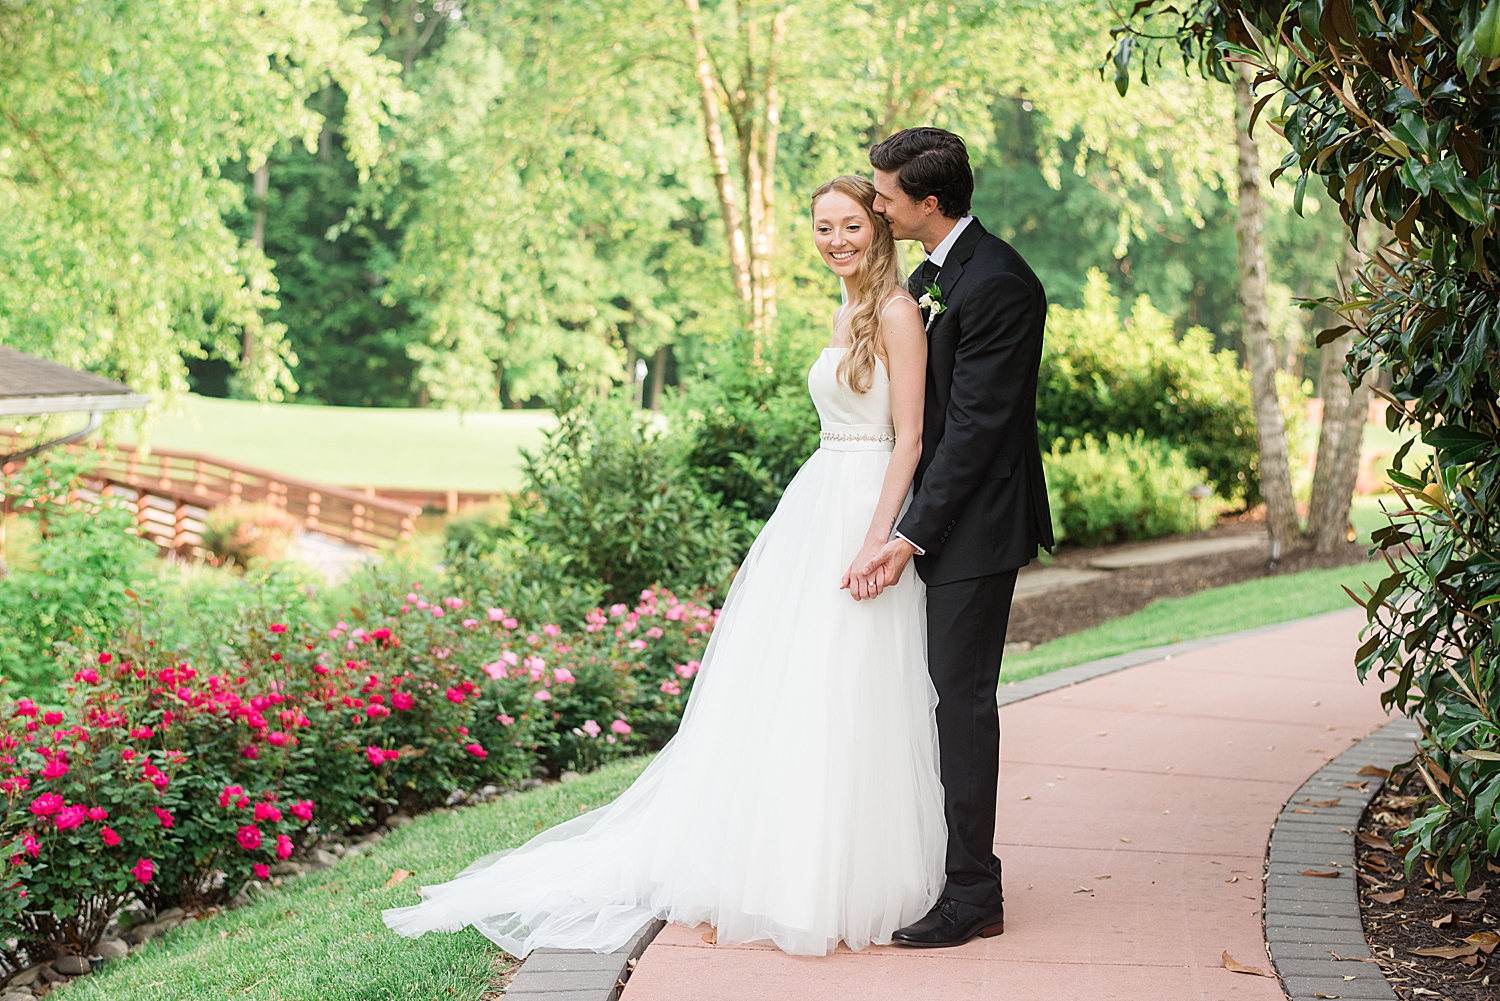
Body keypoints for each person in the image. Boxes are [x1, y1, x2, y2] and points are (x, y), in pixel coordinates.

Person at [384, 174, 945, 958]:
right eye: (822, 229)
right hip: (816, 502)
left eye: (850, 225)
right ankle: (775, 866)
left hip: (866, 510)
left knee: (852, 684)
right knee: (791, 685)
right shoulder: (842, 307)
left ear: (878, 227)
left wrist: (878, 537)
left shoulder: (896, 312)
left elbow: (911, 438)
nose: (836, 241)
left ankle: (838, 875)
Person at [856, 127, 1053, 948]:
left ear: (928, 203)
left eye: (886, 196)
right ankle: (941, 865)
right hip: (944, 516)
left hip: (976, 528)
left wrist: (908, 534)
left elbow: (975, 431)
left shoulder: (1000, 282)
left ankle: (975, 890)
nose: (875, 205)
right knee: (935, 696)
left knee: (961, 703)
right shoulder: (938, 272)